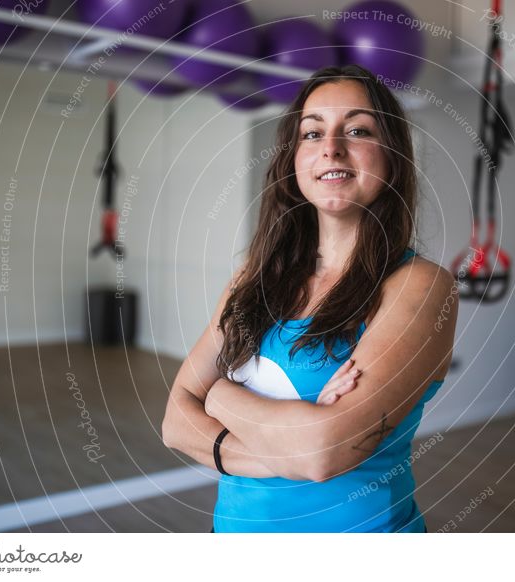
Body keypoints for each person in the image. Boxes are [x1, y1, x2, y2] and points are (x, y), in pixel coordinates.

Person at [162, 64, 458, 533]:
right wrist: (285, 447)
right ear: (293, 159)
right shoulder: (253, 278)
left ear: (393, 156)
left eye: (357, 129)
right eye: (312, 133)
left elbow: (324, 453)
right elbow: (175, 421)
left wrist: (216, 395)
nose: (331, 148)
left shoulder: (420, 286)